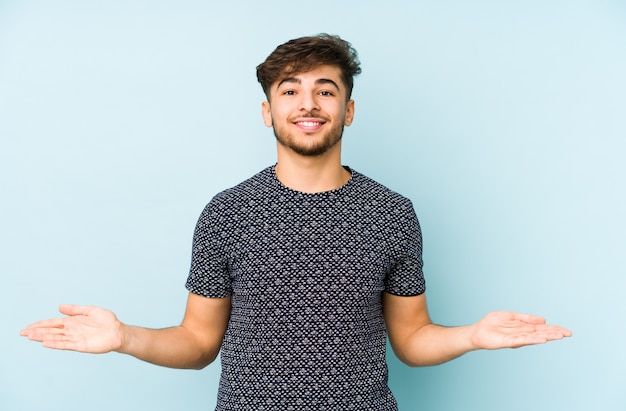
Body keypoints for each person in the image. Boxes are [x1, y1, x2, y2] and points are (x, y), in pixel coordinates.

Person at [21, 34, 572, 410]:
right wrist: (125, 338)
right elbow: (196, 341)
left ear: (348, 110)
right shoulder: (227, 213)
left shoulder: (392, 213)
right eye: (290, 90)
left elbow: (411, 339)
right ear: (268, 110)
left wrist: (473, 335)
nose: (308, 104)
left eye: (325, 90)